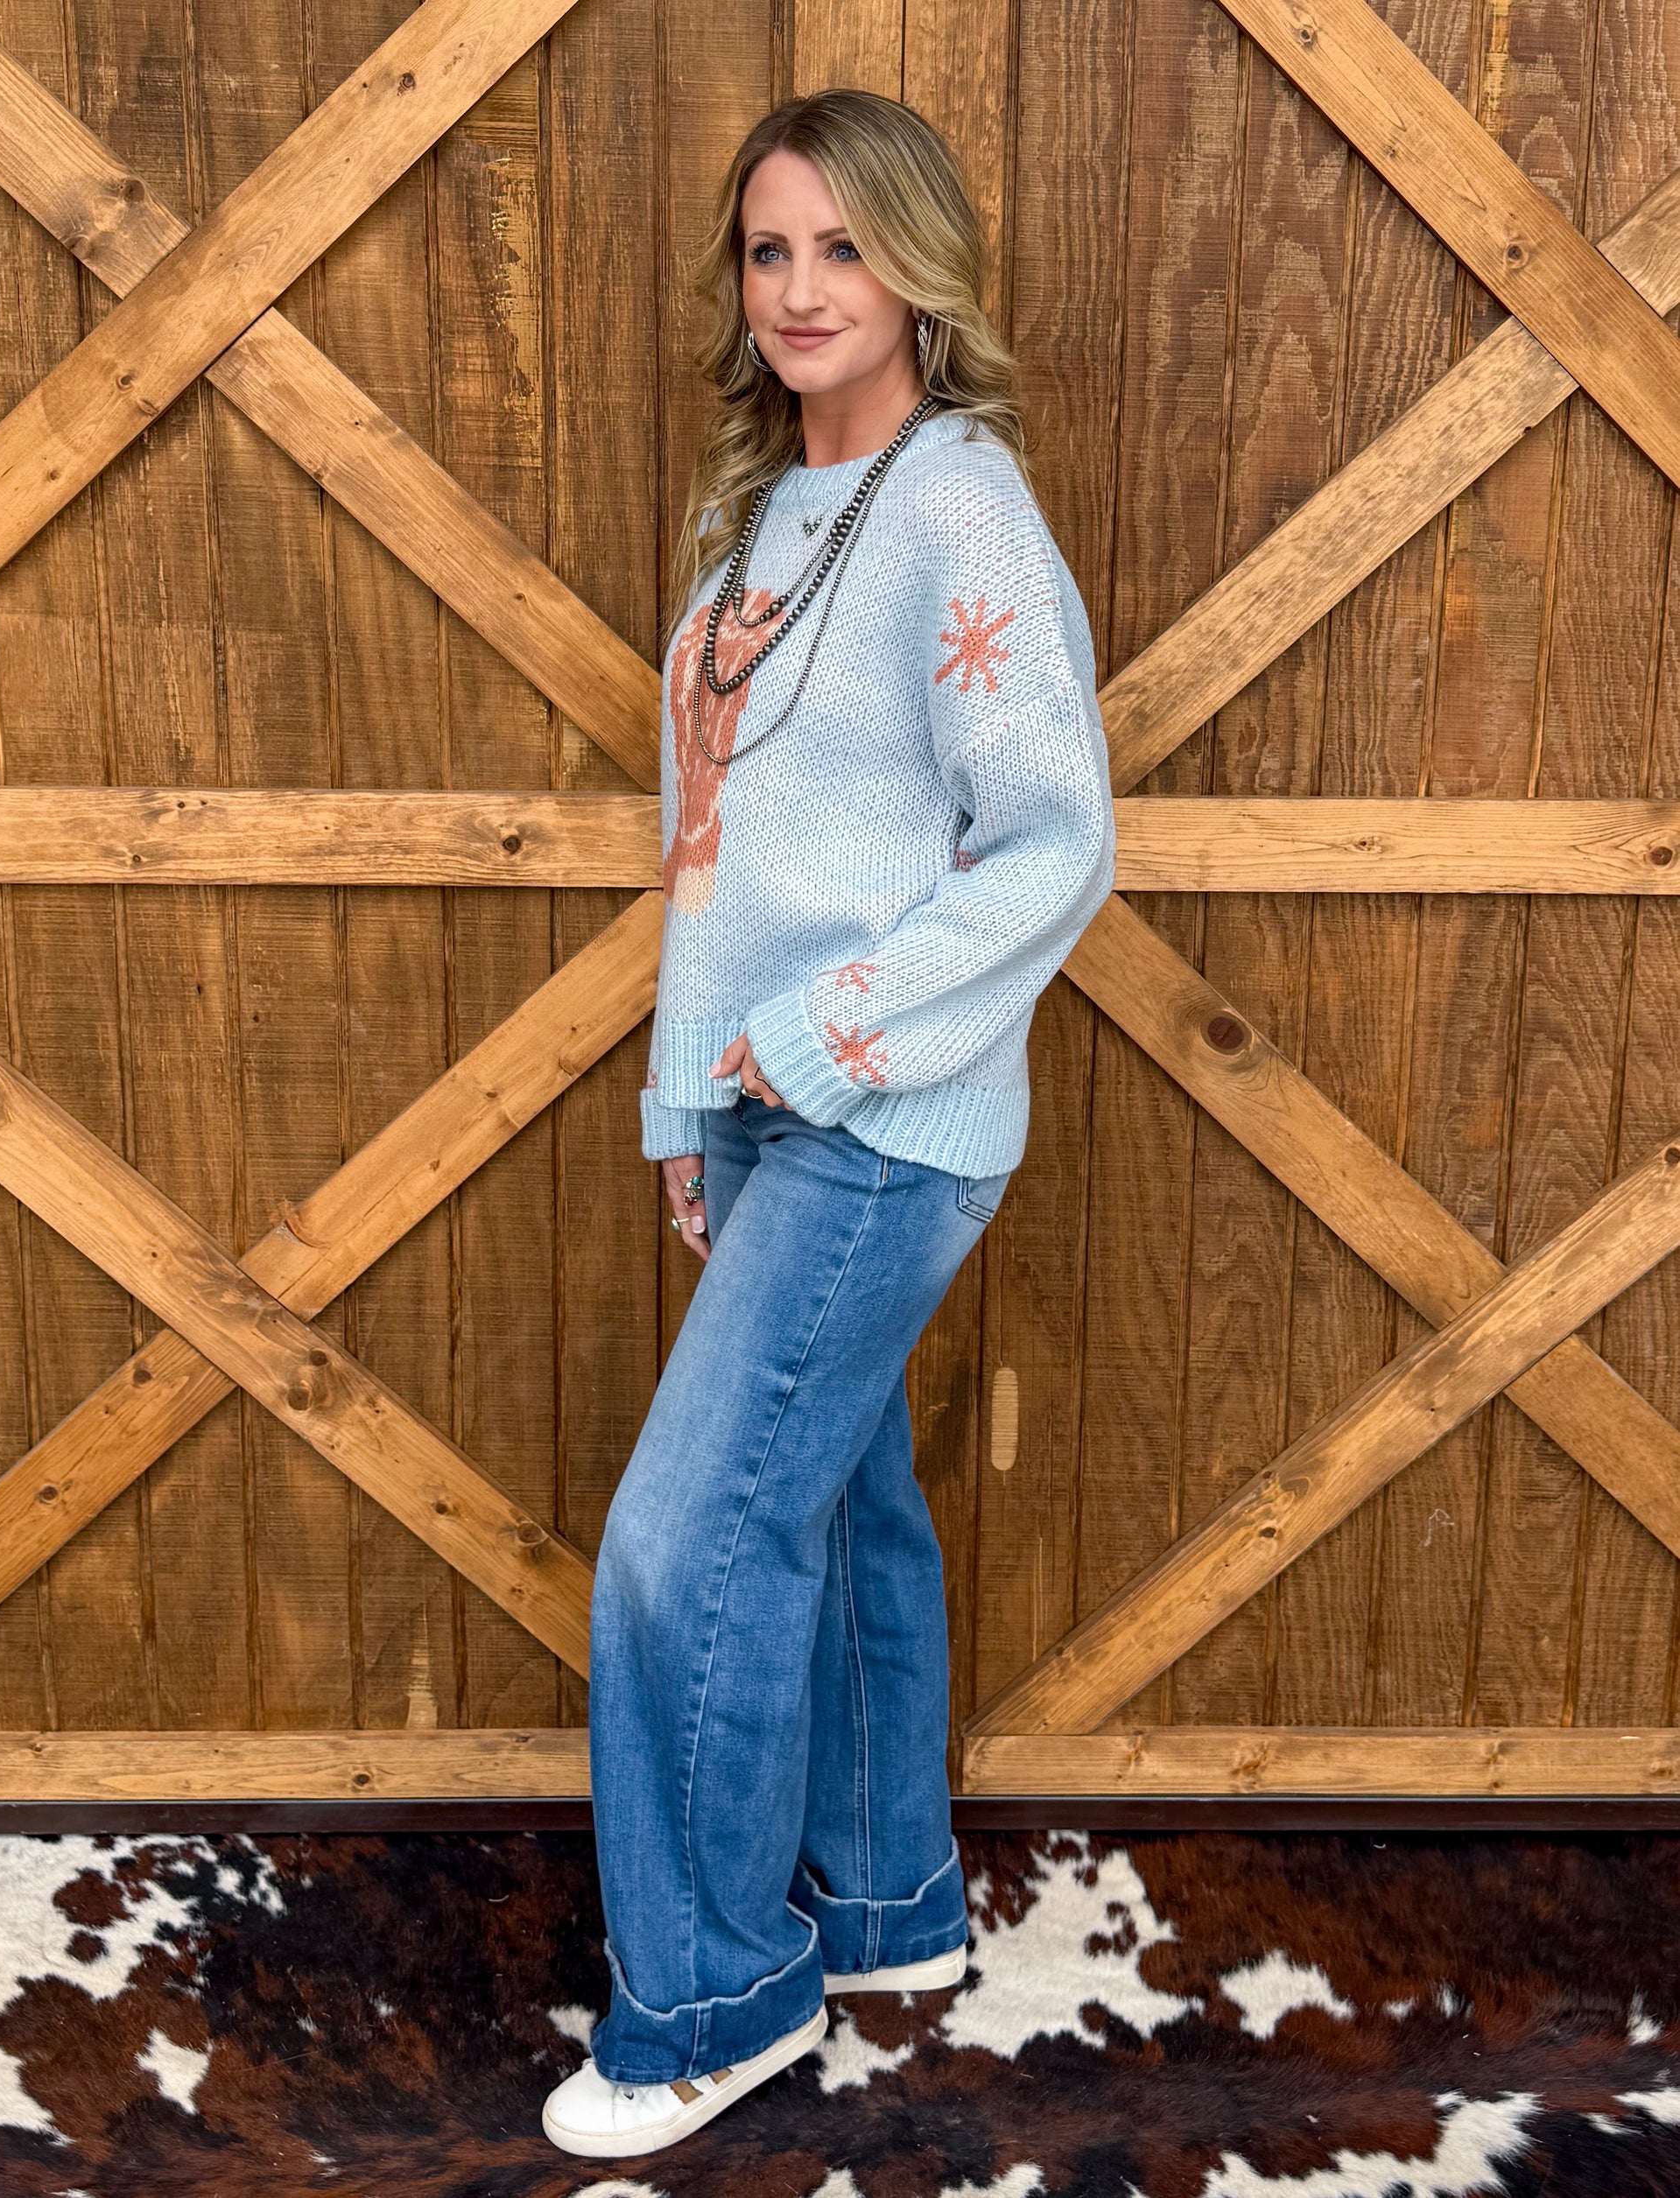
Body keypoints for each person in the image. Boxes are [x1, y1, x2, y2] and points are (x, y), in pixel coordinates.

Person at [542, 86, 1117, 2159]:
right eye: (769, 250)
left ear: (918, 269)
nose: (800, 289)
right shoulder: (755, 518)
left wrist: (823, 1036)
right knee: (844, 1499)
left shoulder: (961, 510)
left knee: (686, 1539)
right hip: (770, 1106)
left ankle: (710, 1999)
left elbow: (1053, 843)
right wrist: (687, 1093)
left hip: (889, 1115)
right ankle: (881, 1909)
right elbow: (710, 848)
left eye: (843, 248)